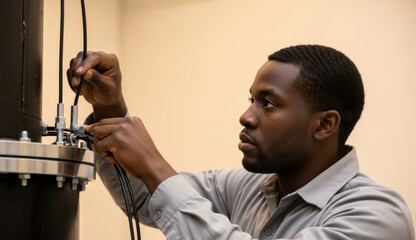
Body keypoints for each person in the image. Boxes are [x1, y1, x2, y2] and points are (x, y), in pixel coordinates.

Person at [67, 45, 414, 239]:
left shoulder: (377, 216)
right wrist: (108, 108)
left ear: (324, 124)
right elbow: (146, 200)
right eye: (251, 100)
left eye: (269, 103)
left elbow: (160, 183)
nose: (247, 116)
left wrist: (156, 166)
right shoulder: (245, 187)